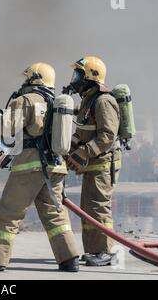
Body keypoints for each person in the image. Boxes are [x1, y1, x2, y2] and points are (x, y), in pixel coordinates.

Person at [0, 63, 80, 272]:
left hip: (30, 166)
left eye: (28, 78)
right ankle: (69, 258)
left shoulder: (27, 100)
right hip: (54, 167)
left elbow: (7, 126)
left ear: (36, 78)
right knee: (55, 215)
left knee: (9, 211)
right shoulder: (54, 102)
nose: (25, 82)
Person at [65, 56, 121, 267]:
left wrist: (83, 153)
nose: (75, 78)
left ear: (91, 76)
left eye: (79, 74)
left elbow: (107, 136)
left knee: (98, 207)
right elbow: (82, 133)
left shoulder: (103, 101)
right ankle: (94, 250)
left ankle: (105, 252)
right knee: (88, 208)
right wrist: (68, 150)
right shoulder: (88, 101)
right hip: (92, 164)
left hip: (103, 163)